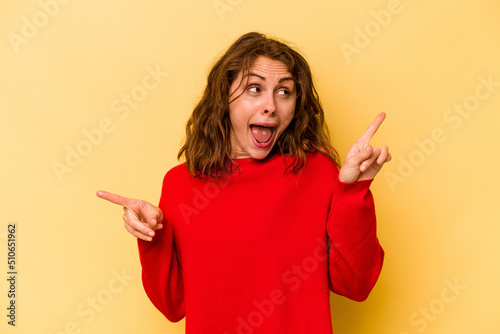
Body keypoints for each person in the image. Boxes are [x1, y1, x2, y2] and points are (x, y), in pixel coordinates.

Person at [97, 31, 391, 334]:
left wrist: (354, 191)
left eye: (284, 92)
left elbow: (357, 284)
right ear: (224, 96)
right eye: (254, 88)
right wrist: (153, 236)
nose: (271, 106)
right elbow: (173, 306)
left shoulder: (317, 172)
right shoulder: (180, 184)